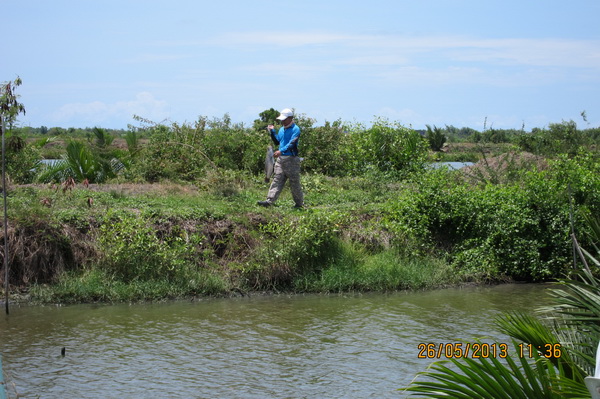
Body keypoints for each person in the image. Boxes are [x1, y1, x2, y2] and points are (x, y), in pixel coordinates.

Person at [257, 108, 304, 208]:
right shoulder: (282, 129)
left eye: (284, 119)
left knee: (294, 183)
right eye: (281, 119)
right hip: (281, 160)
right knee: (277, 180)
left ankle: (299, 204)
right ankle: (269, 201)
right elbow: (277, 142)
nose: (282, 121)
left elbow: (292, 143)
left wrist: (281, 151)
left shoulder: (296, 129)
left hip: (292, 160)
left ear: (290, 118)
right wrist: (272, 132)